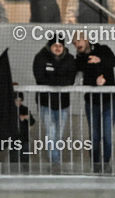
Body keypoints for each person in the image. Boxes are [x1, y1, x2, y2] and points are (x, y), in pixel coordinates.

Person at [74, 36, 115, 174]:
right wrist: (95, 82)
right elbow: (84, 77)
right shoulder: (80, 59)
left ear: (86, 40)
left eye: (79, 41)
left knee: (107, 136)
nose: (77, 44)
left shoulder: (103, 49)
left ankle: (105, 163)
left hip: (108, 101)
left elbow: (113, 62)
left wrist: (100, 60)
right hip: (92, 102)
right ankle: (96, 164)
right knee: (94, 136)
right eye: (74, 43)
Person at [33, 37, 77, 168]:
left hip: (63, 103)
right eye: (55, 46)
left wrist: (52, 79)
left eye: (60, 46)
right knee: (51, 131)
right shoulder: (40, 57)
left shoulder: (69, 59)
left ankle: (55, 157)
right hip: (46, 103)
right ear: (50, 46)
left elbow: (70, 80)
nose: (57, 48)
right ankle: (55, 161)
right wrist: (59, 80)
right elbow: (40, 78)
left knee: (59, 133)